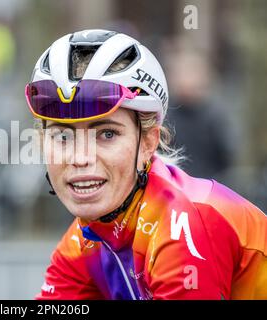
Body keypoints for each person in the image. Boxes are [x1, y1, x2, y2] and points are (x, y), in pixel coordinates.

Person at [24, 29, 267, 300]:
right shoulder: (86, 238)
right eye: (63, 136)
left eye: (106, 134)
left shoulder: (184, 224)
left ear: (149, 143)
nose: (80, 158)